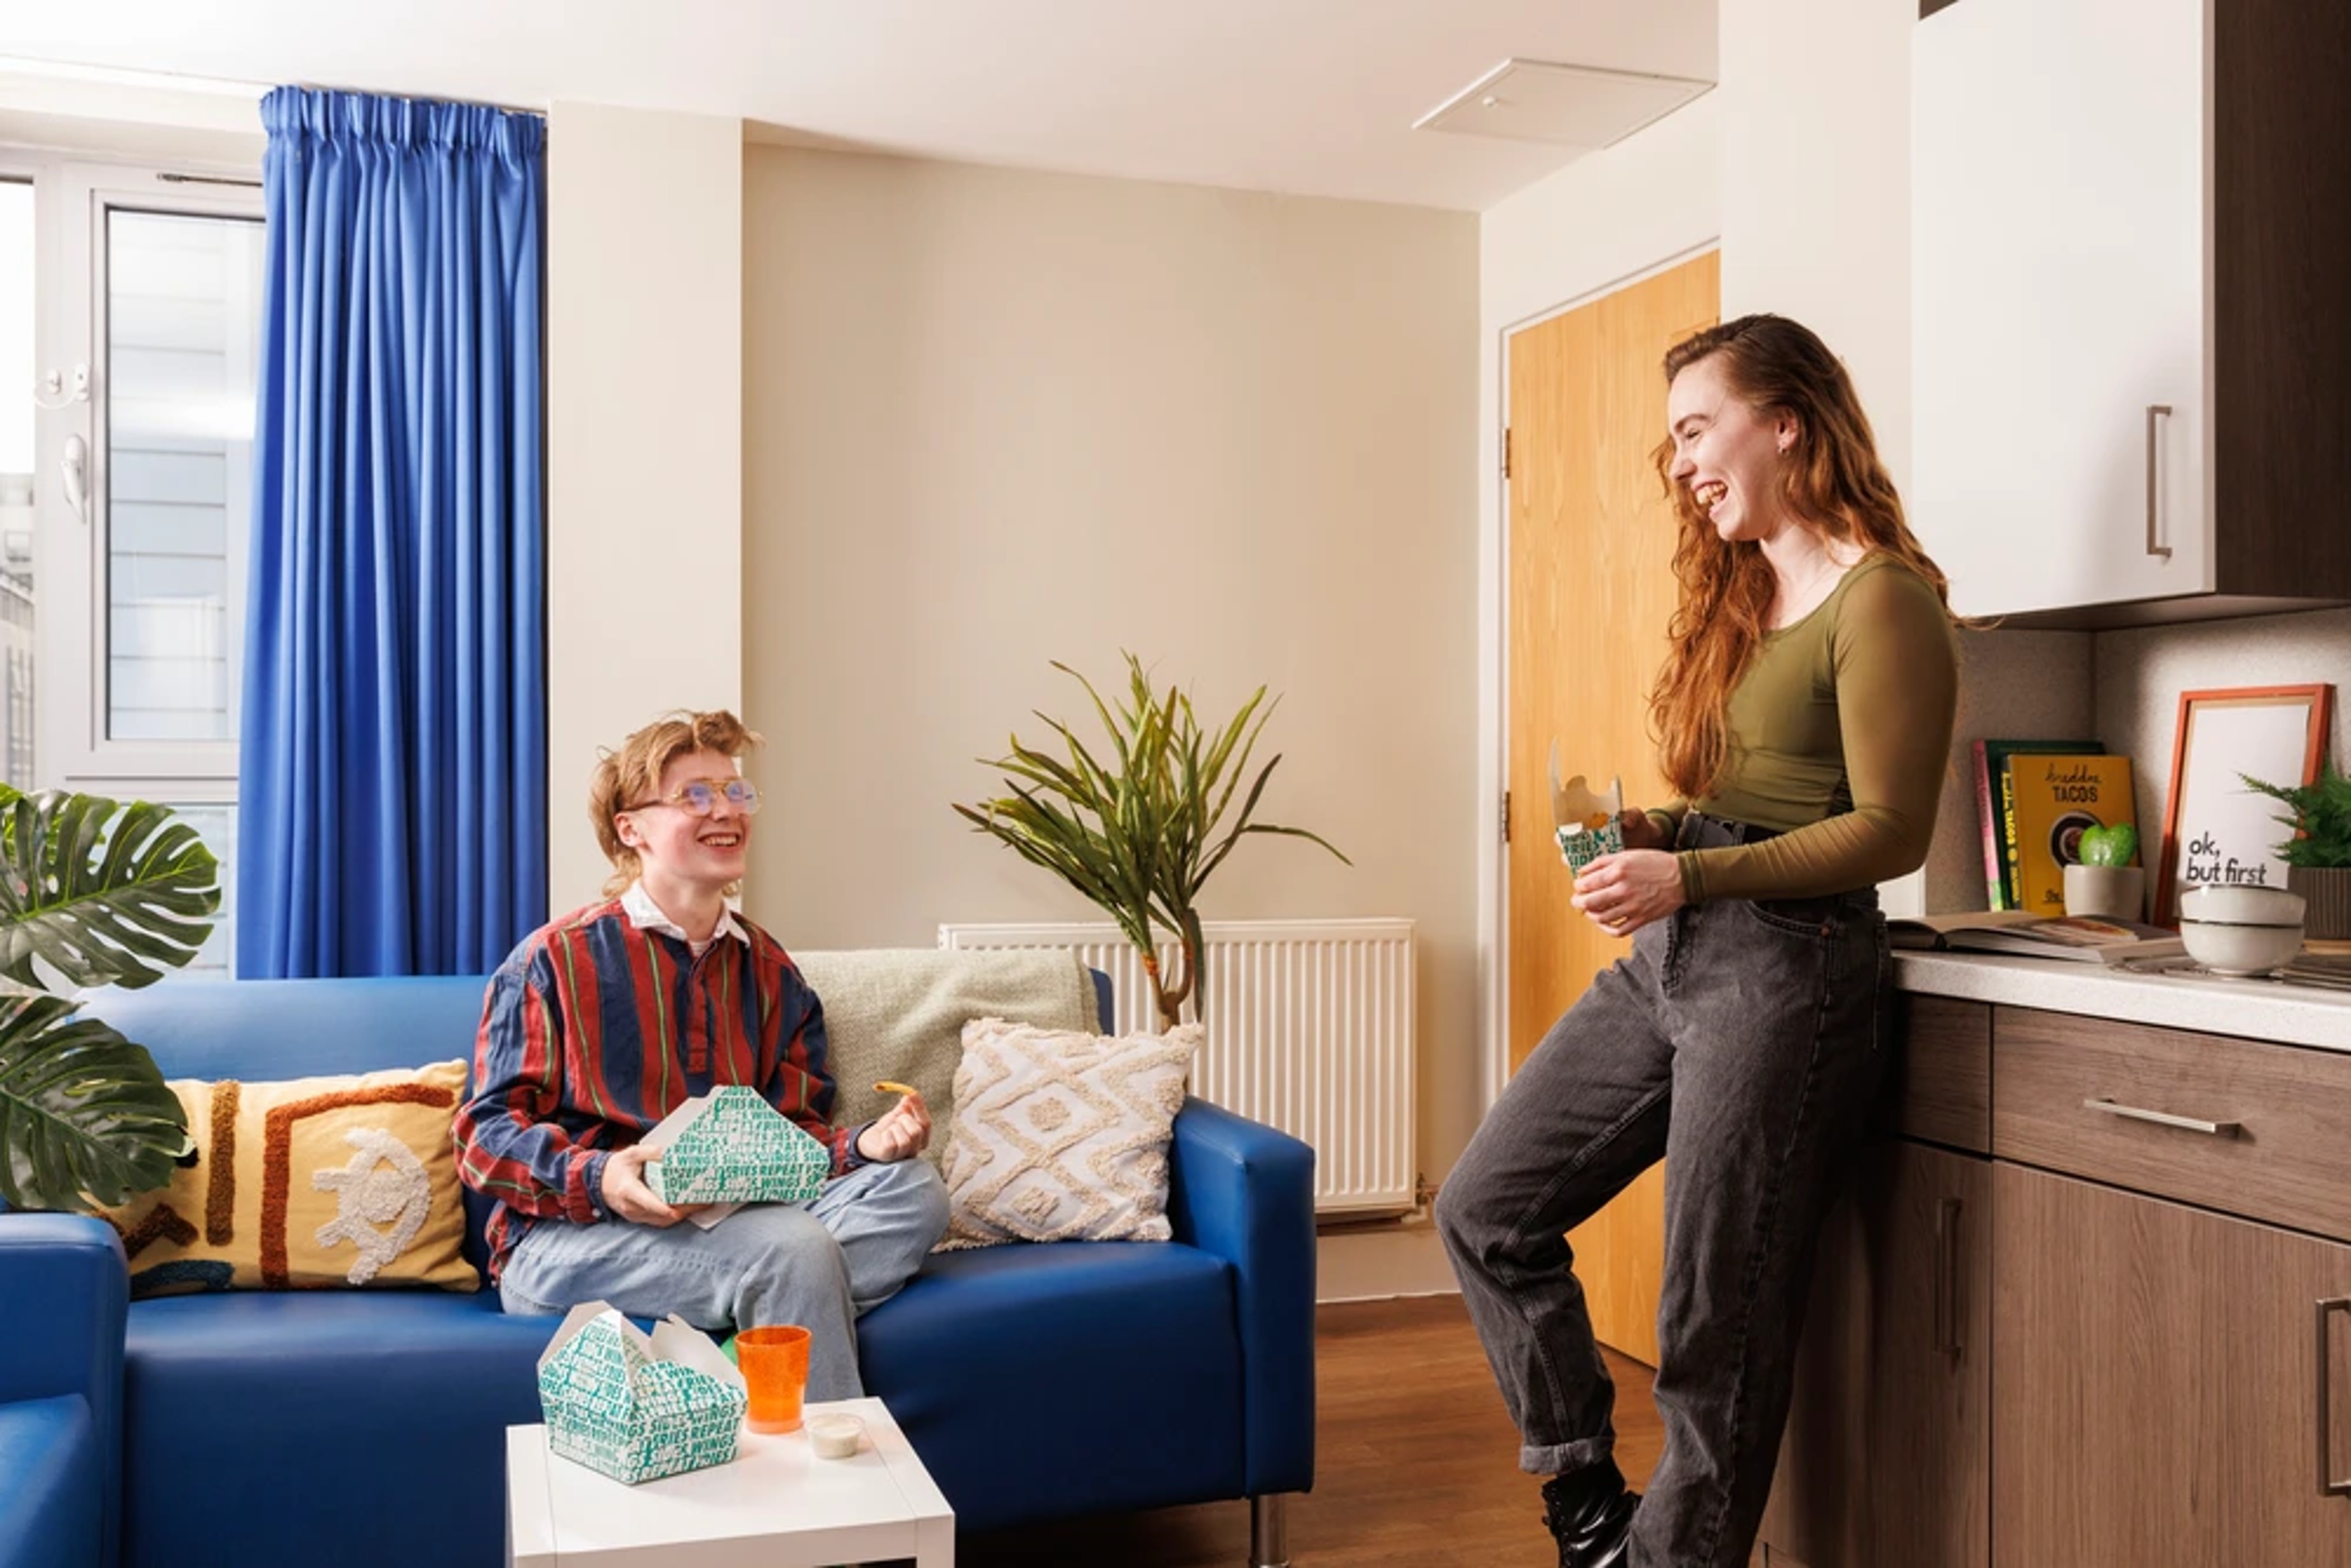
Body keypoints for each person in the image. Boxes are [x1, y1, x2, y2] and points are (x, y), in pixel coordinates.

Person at [1437, 314, 1961, 1568]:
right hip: (1680, 952)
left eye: (1695, 428)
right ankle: (1587, 1507)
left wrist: (1692, 867)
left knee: (1712, 1312)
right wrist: (1653, 828)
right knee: (1485, 1205)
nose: (1679, 463)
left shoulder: (1885, 596)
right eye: (1673, 438)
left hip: (1788, 969)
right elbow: (1754, 793)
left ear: (1786, 420)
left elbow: (1888, 832)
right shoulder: (1745, 590)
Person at [454, 708, 948, 1401]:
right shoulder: (551, 961)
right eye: (696, 794)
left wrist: (865, 1144)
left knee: (912, 1191)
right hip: (570, 1241)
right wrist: (600, 1175)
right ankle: (824, 1488)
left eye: (736, 792)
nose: (727, 809)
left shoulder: (773, 972)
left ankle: (733, 1344)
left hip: (737, 1227)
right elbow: (485, 1137)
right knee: (791, 1248)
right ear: (632, 828)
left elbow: (791, 1142)